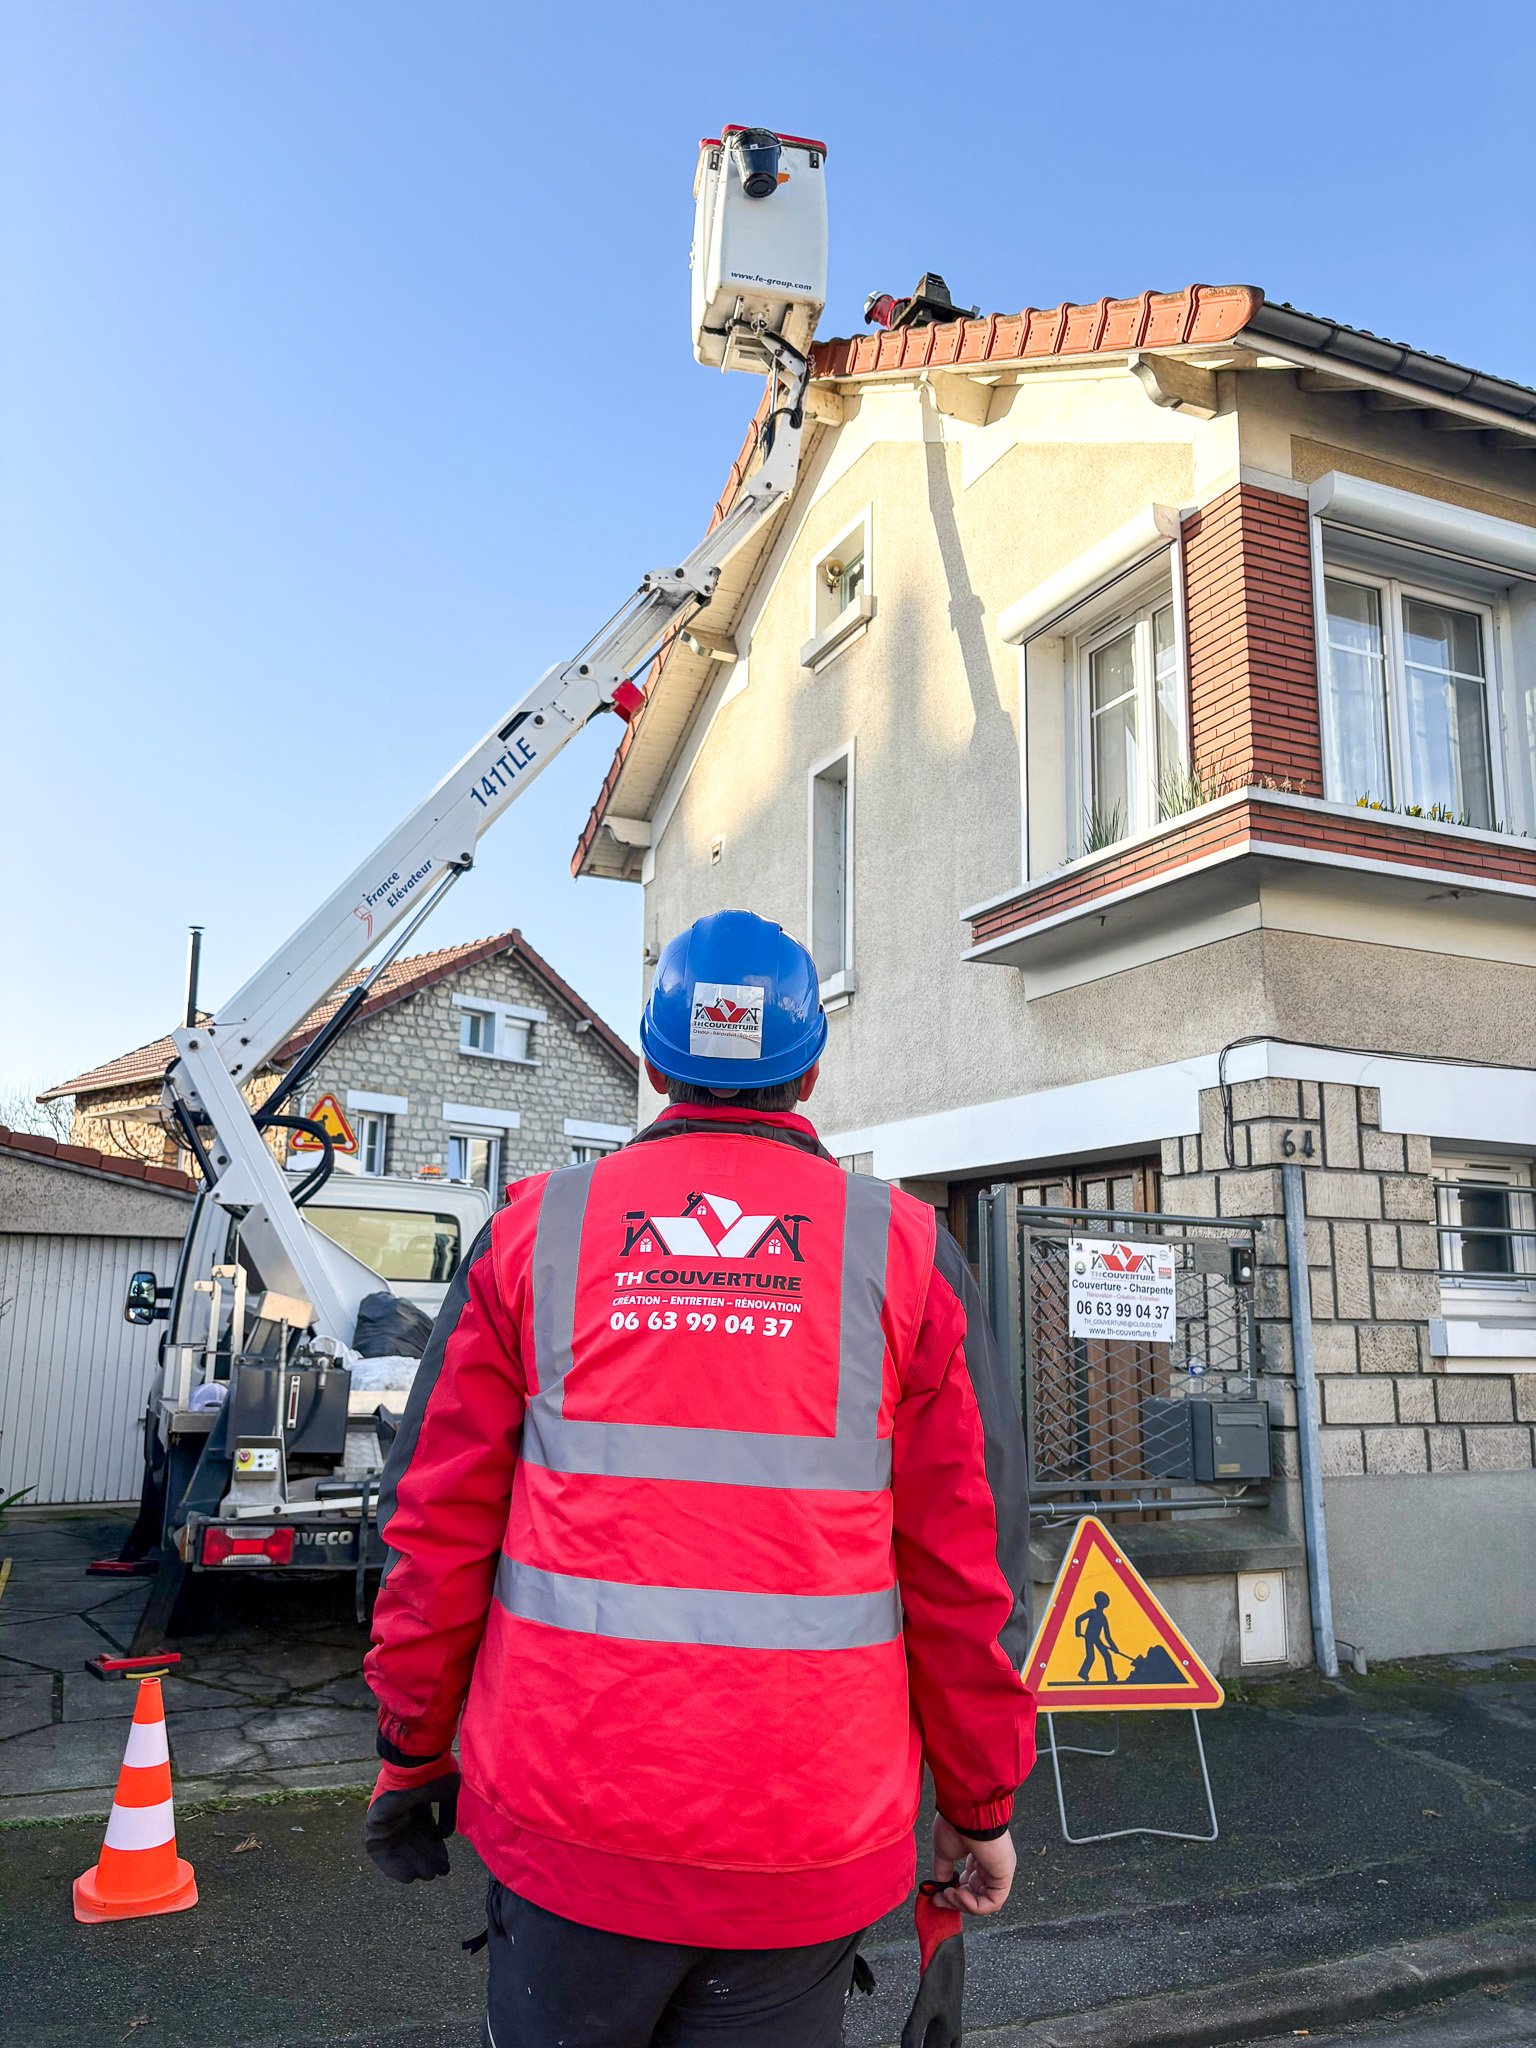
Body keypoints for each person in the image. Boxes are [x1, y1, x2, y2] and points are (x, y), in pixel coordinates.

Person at [363, 909, 1036, 2047]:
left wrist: (411, 1746)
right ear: (810, 1065)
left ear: (653, 1057)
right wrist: (979, 1802)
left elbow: (434, 1525)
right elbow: (964, 1569)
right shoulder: (908, 1251)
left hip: (569, 1814)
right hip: (803, 1829)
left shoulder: (538, 1231)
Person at [1075, 1591, 1123, 1684]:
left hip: (1096, 1638)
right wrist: (1077, 1631)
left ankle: (1111, 1677)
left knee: (1107, 1656)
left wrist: (1114, 1647)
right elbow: (1078, 1619)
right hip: (1089, 1637)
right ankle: (1083, 1673)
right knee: (1091, 1656)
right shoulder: (1092, 1612)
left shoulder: (1103, 1618)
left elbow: (1107, 1636)